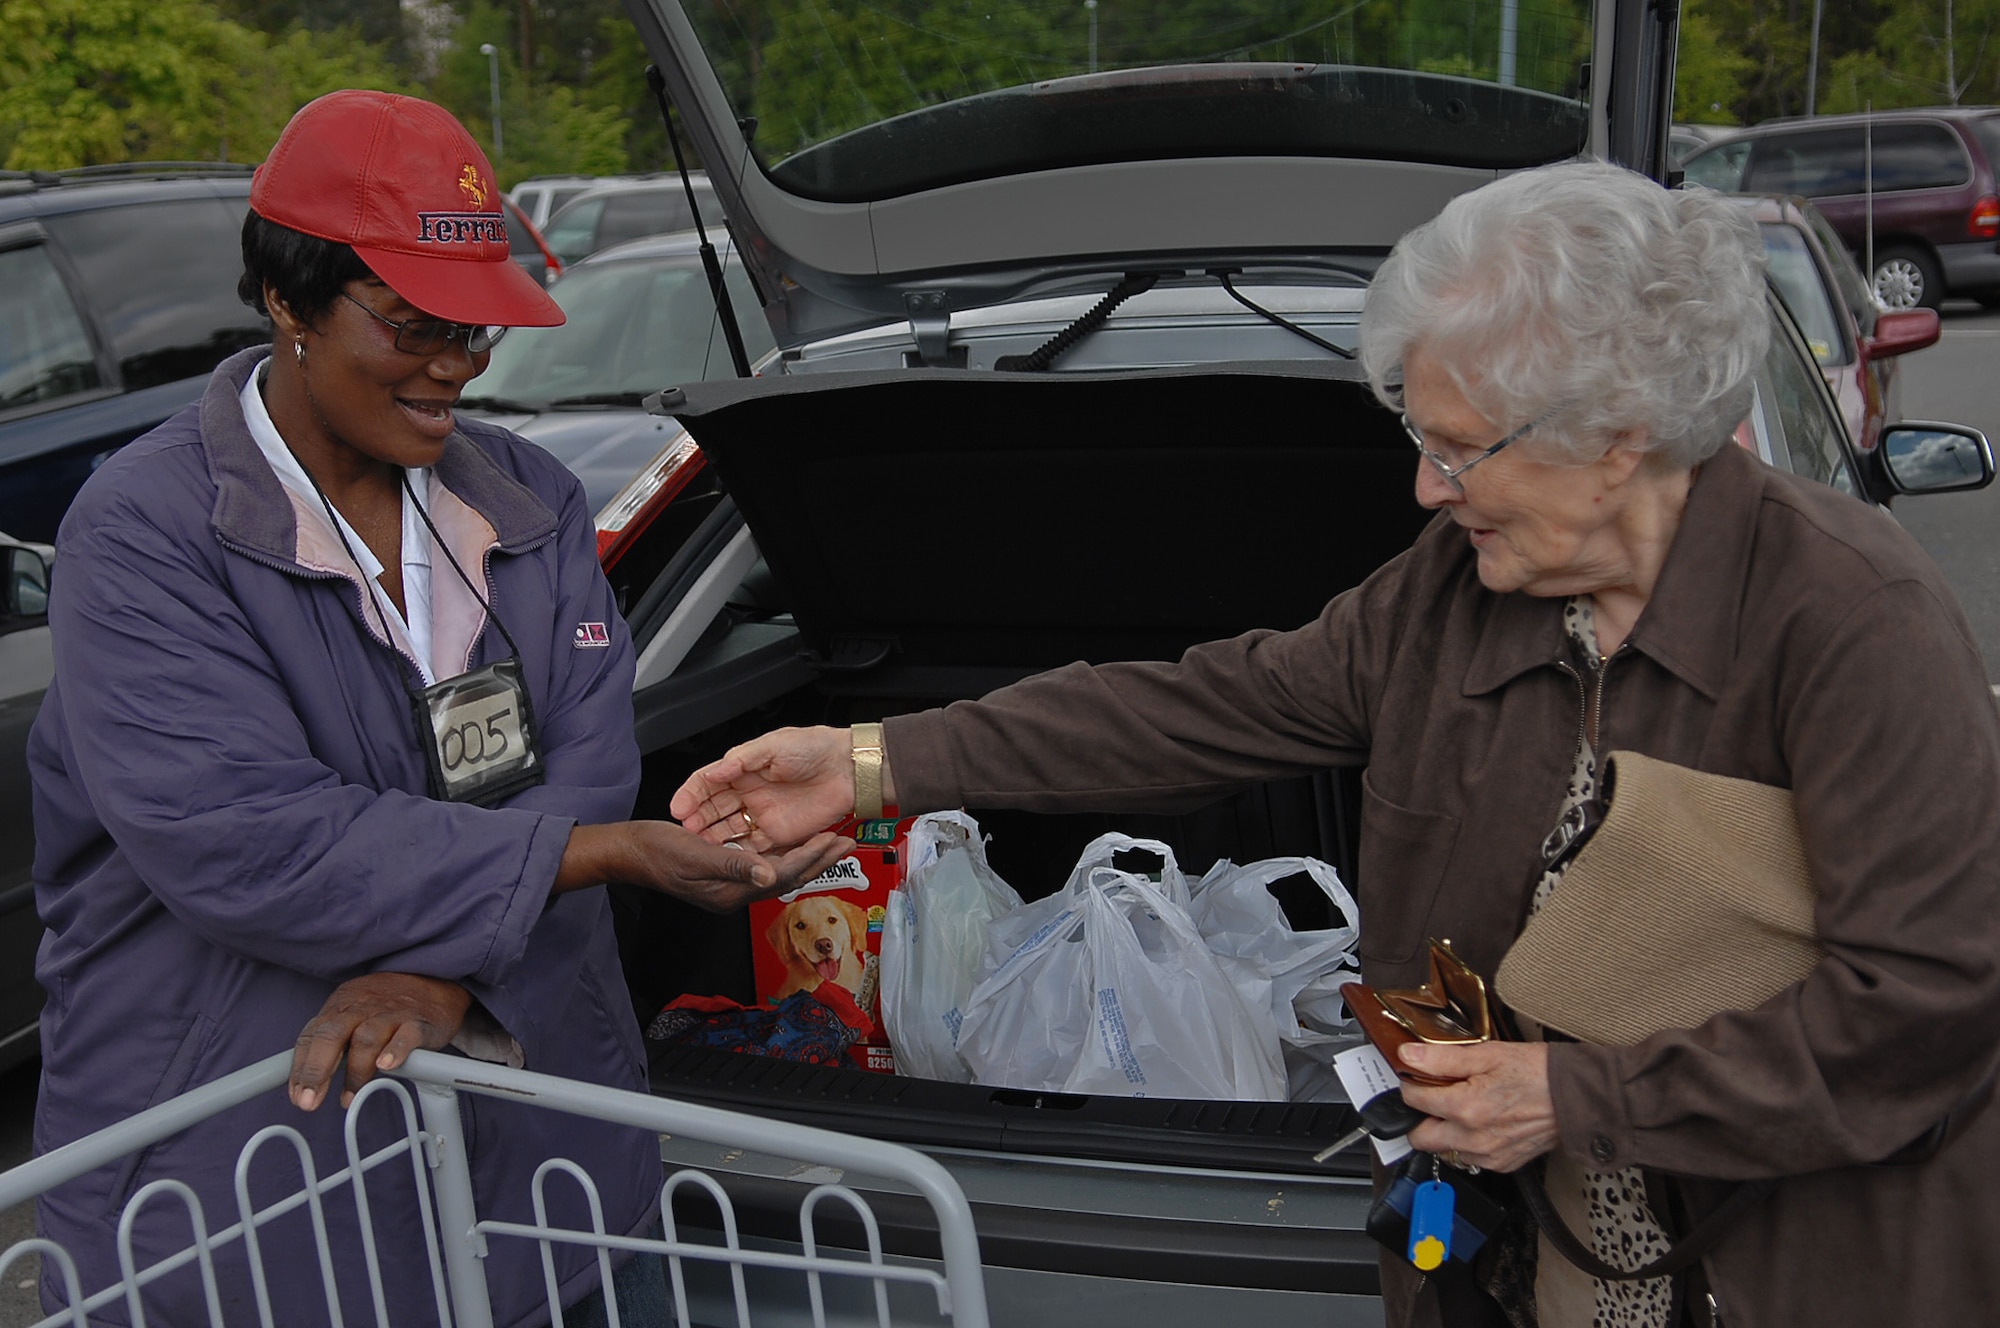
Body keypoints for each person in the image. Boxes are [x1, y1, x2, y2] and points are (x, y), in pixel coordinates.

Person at [671, 161, 2000, 1328]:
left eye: (1462, 447)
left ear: (1619, 438)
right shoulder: (1452, 590)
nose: (1426, 486)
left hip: (1801, 1256)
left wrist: (1579, 1095)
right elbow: (1203, 704)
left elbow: (1927, 1004)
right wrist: (868, 767)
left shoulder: (1847, 619)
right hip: (1548, 1247)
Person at [26, 90, 846, 1327]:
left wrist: (441, 968)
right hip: (241, 1180)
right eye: (414, 325)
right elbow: (248, 834)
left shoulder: (528, 494)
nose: (457, 364)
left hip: (538, 1166)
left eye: (475, 327)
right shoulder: (144, 533)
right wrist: (593, 857)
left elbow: (584, 743)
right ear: (288, 301)